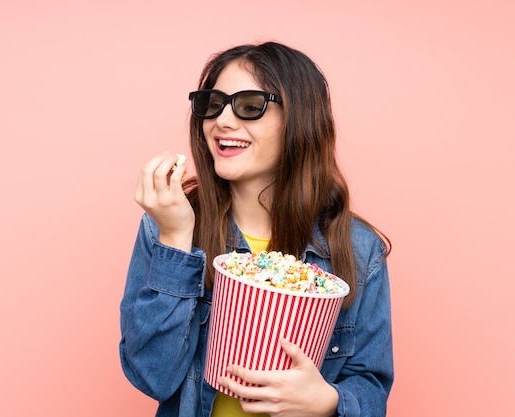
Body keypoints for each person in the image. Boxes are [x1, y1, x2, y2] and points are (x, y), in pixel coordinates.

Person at [119, 41, 394, 417]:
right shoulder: (167, 227)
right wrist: (176, 241)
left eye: (250, 106)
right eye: (212, 104)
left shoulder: (358, 250)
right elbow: (153, 378)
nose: (222, 121)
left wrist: (329, 402)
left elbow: (371, 387)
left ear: (299, 119)